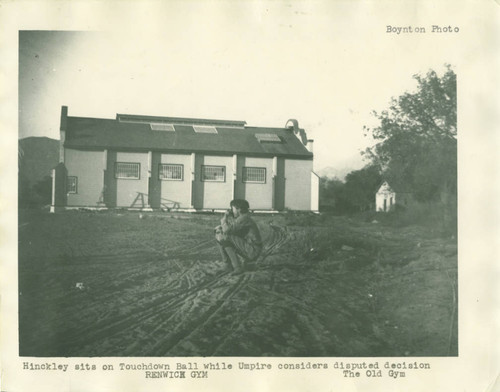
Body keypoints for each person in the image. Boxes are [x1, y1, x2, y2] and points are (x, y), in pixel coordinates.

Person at [215, 199, 262, 275]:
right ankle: (229, 265)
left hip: (253, 250)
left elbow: (227, 230)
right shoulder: (243, 217)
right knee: (220, 233)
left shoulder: (244, 218)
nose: (231, 211)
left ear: (238, 209)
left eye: (232, 209)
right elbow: (233, 229)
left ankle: (235, 267)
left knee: (224, 235)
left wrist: (224, 218)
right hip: (251, 248)